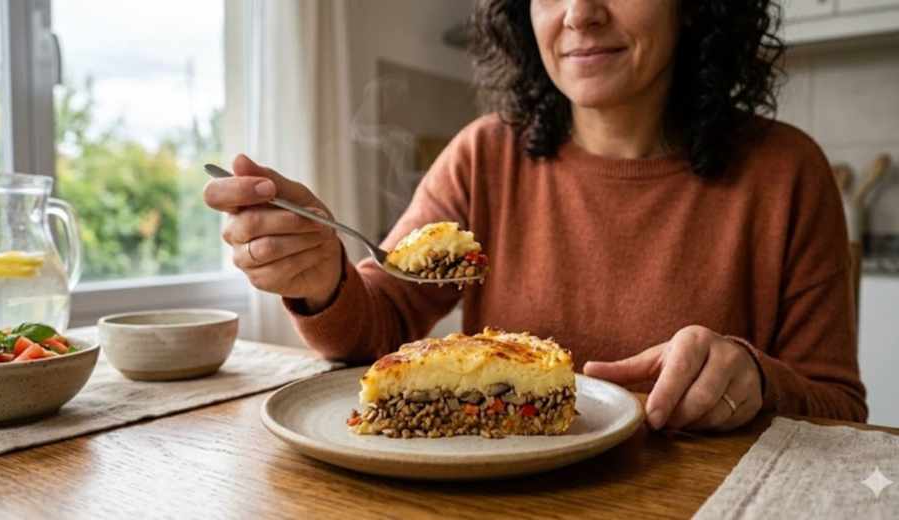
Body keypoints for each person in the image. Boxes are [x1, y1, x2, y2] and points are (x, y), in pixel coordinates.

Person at [203, 0, 867, 431]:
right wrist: (322, 279)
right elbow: (377, 323)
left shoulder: (787, 172)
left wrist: (756, 379)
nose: (579, 13)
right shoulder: (484, 155)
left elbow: (840, 412)